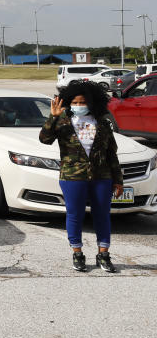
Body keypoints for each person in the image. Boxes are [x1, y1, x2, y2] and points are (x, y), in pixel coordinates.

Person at [39, 80, 123, 273]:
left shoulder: (102, 123)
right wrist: (52, 118)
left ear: (92, 102)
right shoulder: (62, 122)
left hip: (102, 176)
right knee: (75, 215)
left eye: (82, 102)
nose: (78, 106)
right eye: (74, 103)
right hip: (72, 177)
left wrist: (118, 180)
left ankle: (104, 254)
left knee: (102, 215)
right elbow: (44, 139)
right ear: (68, 102)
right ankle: (77, 253)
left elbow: (112, 154)